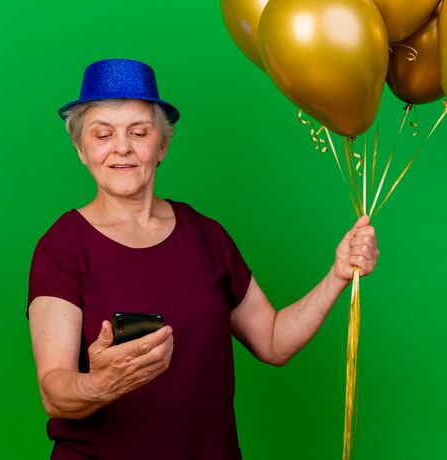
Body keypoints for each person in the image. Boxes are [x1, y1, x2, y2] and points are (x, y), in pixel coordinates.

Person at [27, 59, 379, 460]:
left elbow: (274, 341)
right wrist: (101, 384)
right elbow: (54, 392)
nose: (121, 147)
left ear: (162, 145)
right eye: (103, 134)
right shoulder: (61, 248)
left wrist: (336, 274)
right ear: (81, 148)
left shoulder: (206, 236)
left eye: (139, 132)